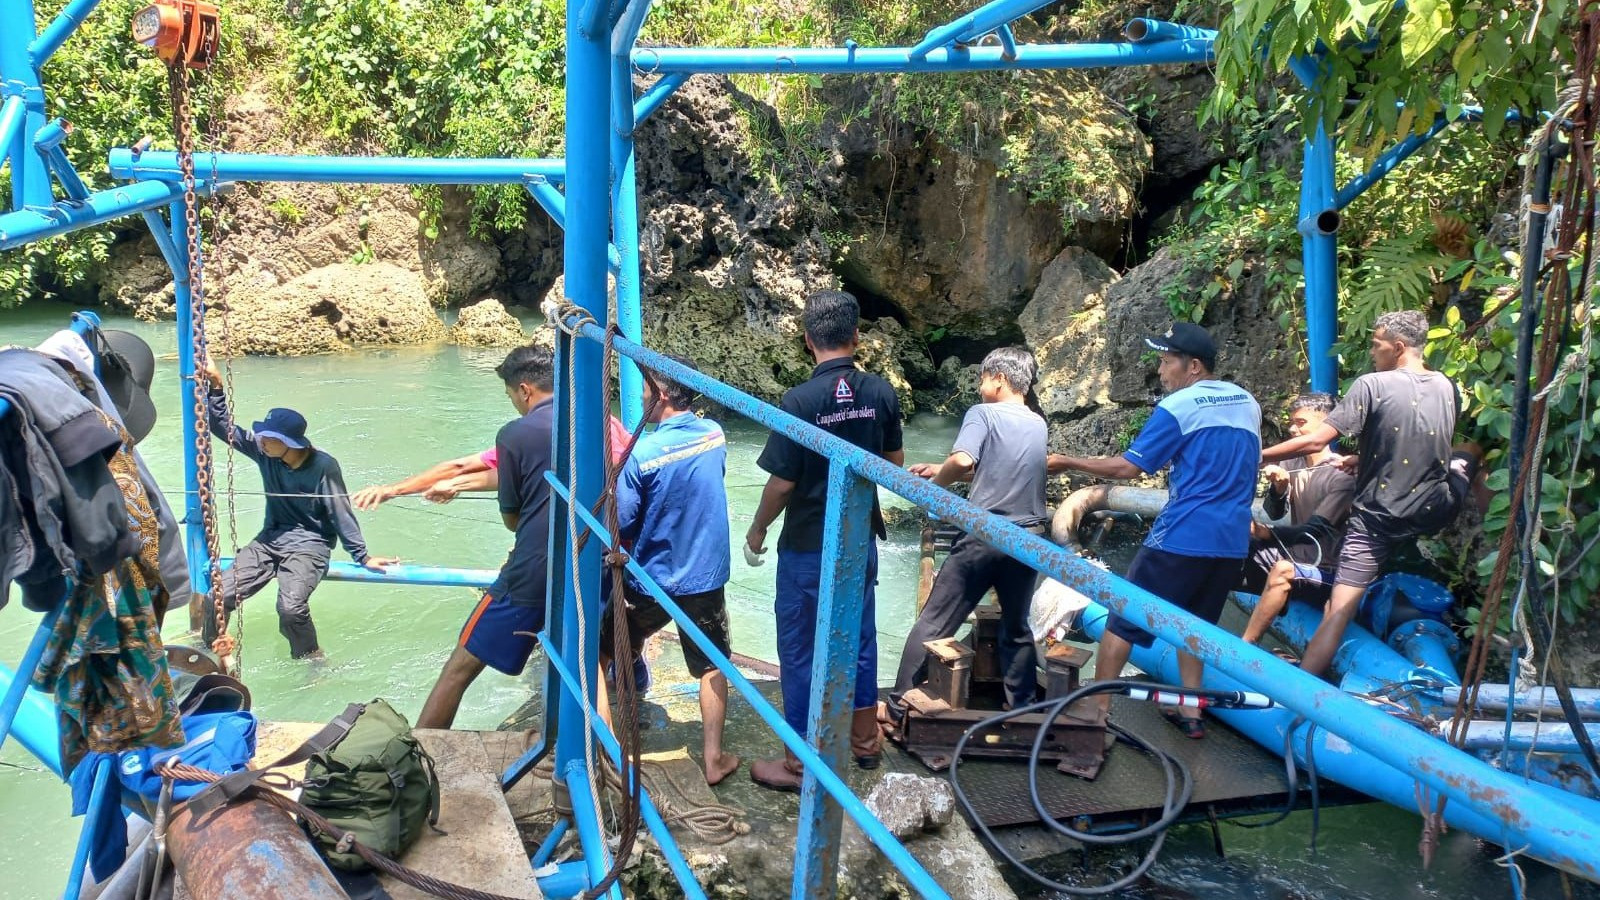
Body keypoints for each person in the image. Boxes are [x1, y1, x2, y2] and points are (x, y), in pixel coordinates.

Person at [1047, 323, 1260, 739]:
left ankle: (1099, 705)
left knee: (1124, 615)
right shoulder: (1247, 402)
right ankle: (1192, 711)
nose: (1160, 372)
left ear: (1193, 366)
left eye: (1166, 362)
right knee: (1195, 627)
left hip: (1182, 535)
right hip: (1232, 540)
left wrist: (1069, 461)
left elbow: (1130, 467)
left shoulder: (1181, 406)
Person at [746, 289, 904, 790]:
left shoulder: (799, 401)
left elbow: (782, 482)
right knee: (858, 636)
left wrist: (756, 528)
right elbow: (894, 467)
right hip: (860, 541)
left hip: (808, 543)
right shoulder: (880, 392)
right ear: (857, 337)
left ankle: (799, 761)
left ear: (807, 339)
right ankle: (864, 744)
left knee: (798, 645)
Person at [1260, 311, 1476, 676]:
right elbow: (1424, 441)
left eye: (1377, 346)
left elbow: (1315, 439)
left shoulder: (1372, 384)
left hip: (1379, 517)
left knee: (1336, 612)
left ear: (1399, 347)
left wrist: (1254, 455)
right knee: (1470, 451)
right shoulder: (1446, 385)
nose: (1372, 353)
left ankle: (1304, 682)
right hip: (1436, 506)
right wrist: (1364, 459)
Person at [595, 356, 740, 784]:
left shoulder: (643, 452)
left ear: (659, 395)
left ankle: (608, 751)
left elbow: (623, 520)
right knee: (712, 664)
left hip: (652, 580)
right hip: (706, 577)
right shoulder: (715, 435)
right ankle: (713, 758)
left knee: (601, 652)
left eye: (643, 390)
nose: (638, 397)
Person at [200, 360, 398, 660]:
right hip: (269, 539)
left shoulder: (323, 466)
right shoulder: (264, 452)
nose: (262, 442)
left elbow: (339, 511)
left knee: (290, 609)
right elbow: (221, 427)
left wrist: (362, 556)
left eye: (271, 439)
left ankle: (311, 658)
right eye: (263, 436)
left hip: (310, 545)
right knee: (217, 595)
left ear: (291, 444)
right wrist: (215, 386)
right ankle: (209, 653)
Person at [893, 347, 1047, 713]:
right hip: (1028, 538)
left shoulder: (982, 413)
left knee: (935, 621)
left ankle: (899, 703)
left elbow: (963, 458)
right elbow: (1002, 469)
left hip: (985, 536)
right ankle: (1021, 708)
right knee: (1016, 626)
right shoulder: (1037, 422)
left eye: (982, 379)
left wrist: (933, 490)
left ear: (1000, 379)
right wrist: (939, 466)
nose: (979, 387)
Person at [417, 345, 558, 729]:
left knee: (459, 666)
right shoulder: (597, 423)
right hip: (592, 562)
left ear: (525, 390)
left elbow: (513, 518)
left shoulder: (515, 434)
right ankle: (600, 753)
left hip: (532, 570)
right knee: (585, 664)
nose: (513, 402)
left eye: (511, 394)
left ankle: (421, 752)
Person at [1239, 393, 1356, 645]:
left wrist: (1266, 533)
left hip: (1330, 572)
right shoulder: (1292, 462)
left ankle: (1245, 646)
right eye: (1291, 422)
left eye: (1301, 423)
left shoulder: (1342, 475)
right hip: (1297, 557)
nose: (1292, 428)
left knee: (1282, 569)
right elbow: (1274, 512)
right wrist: (1278, 489)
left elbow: (1317, 531)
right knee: (1237, 543)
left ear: (1327, 426)